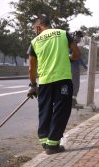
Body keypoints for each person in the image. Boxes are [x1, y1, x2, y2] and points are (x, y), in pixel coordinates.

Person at [27, 15, 80, 155]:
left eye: (35, 29)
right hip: (63, 79)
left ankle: (45, 142)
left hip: (45, 82)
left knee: (44, 111)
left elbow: (31, 67)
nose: (35, 32)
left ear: (38, 27)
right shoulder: (63, 34)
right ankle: (53, 144)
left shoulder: (34, 41)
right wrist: (69, 58)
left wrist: (33, 85)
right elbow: (77, 53)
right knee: (61, 111)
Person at [70, 31, 87, 109]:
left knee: (75, 85)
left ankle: (72, 101)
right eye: (78, 37)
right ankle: (72, 102)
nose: (79, 39)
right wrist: (72, 57)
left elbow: (79, 57)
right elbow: (70, 55)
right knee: (75, 85)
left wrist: (84, 65)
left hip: (75, 67)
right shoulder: (71, 45)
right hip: (72, 67)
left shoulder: (74, 45)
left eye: (80, 37)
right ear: (74, 36)